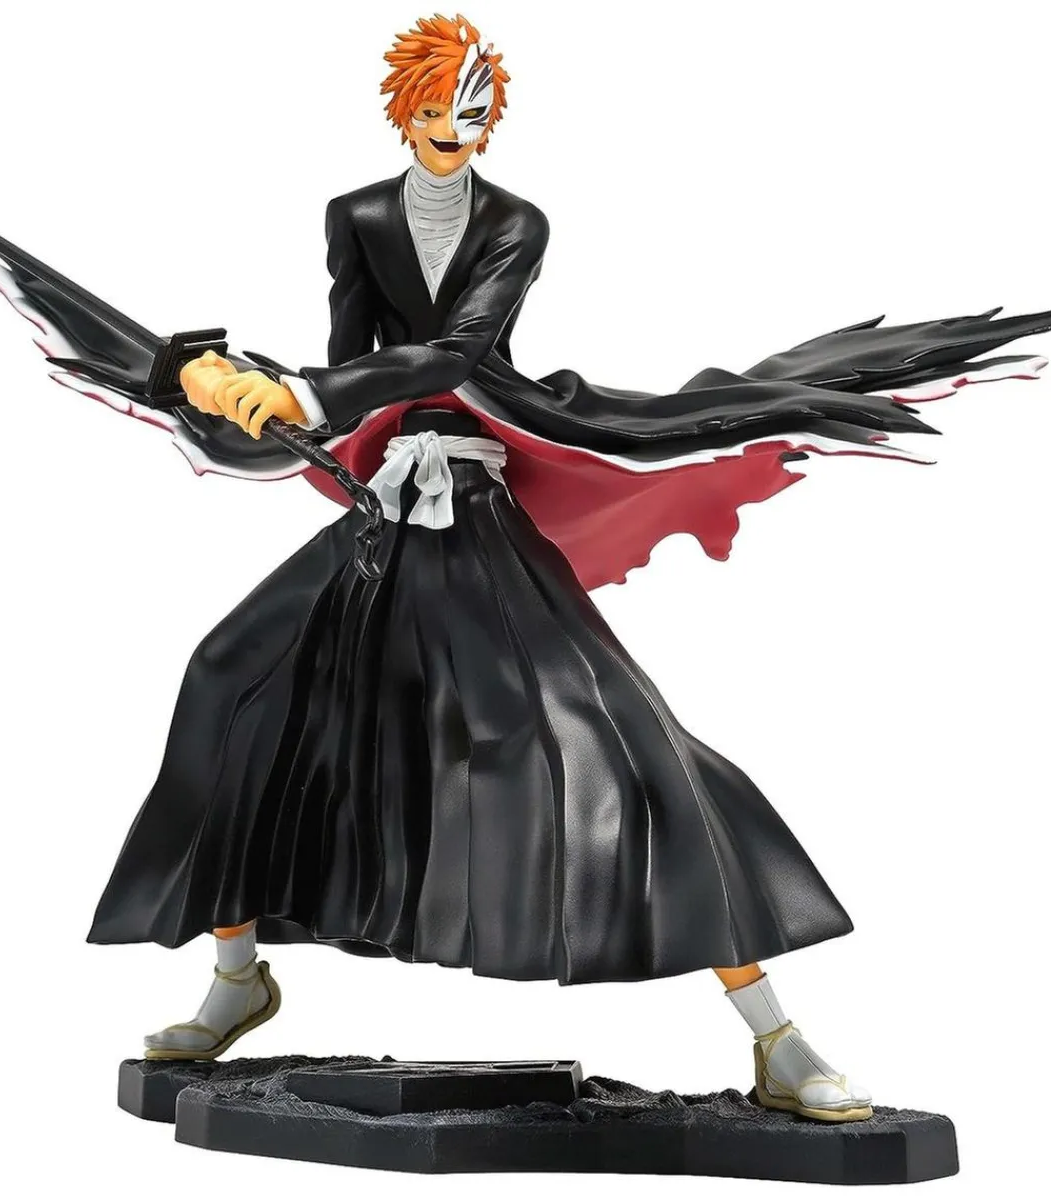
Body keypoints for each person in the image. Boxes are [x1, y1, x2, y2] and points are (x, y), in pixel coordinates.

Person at [83, 13, 1048, 1124]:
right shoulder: (357, 216)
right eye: (435, 108)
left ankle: (777, 1037)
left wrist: (305, 391)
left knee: (611, 738)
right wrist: (238, 386)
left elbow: (454, 357)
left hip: (475, 510)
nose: (453, 128)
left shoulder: (514, 223)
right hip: (384, 514)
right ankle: (237, 977)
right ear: (405, 110)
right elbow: (353, 366)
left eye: (471, 109)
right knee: (236, 678)